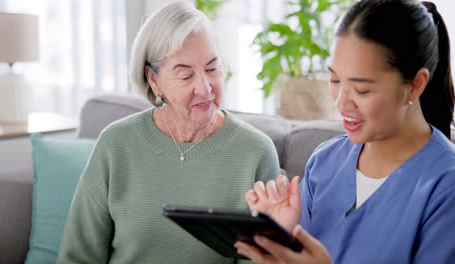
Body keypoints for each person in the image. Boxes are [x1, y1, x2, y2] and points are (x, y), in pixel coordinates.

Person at [56, 2, 279, 263]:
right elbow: (78, 256)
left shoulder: (255, 152)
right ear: (153, 80)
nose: (205, 88)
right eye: (185, 76)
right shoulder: (115, 144)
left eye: (211, 68)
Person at [234, 0, 455, 263]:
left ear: (415, 85)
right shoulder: (325, 162)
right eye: (335, 80)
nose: (340, 102)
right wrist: (280, 238)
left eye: (361, 89)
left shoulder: (445, 186)